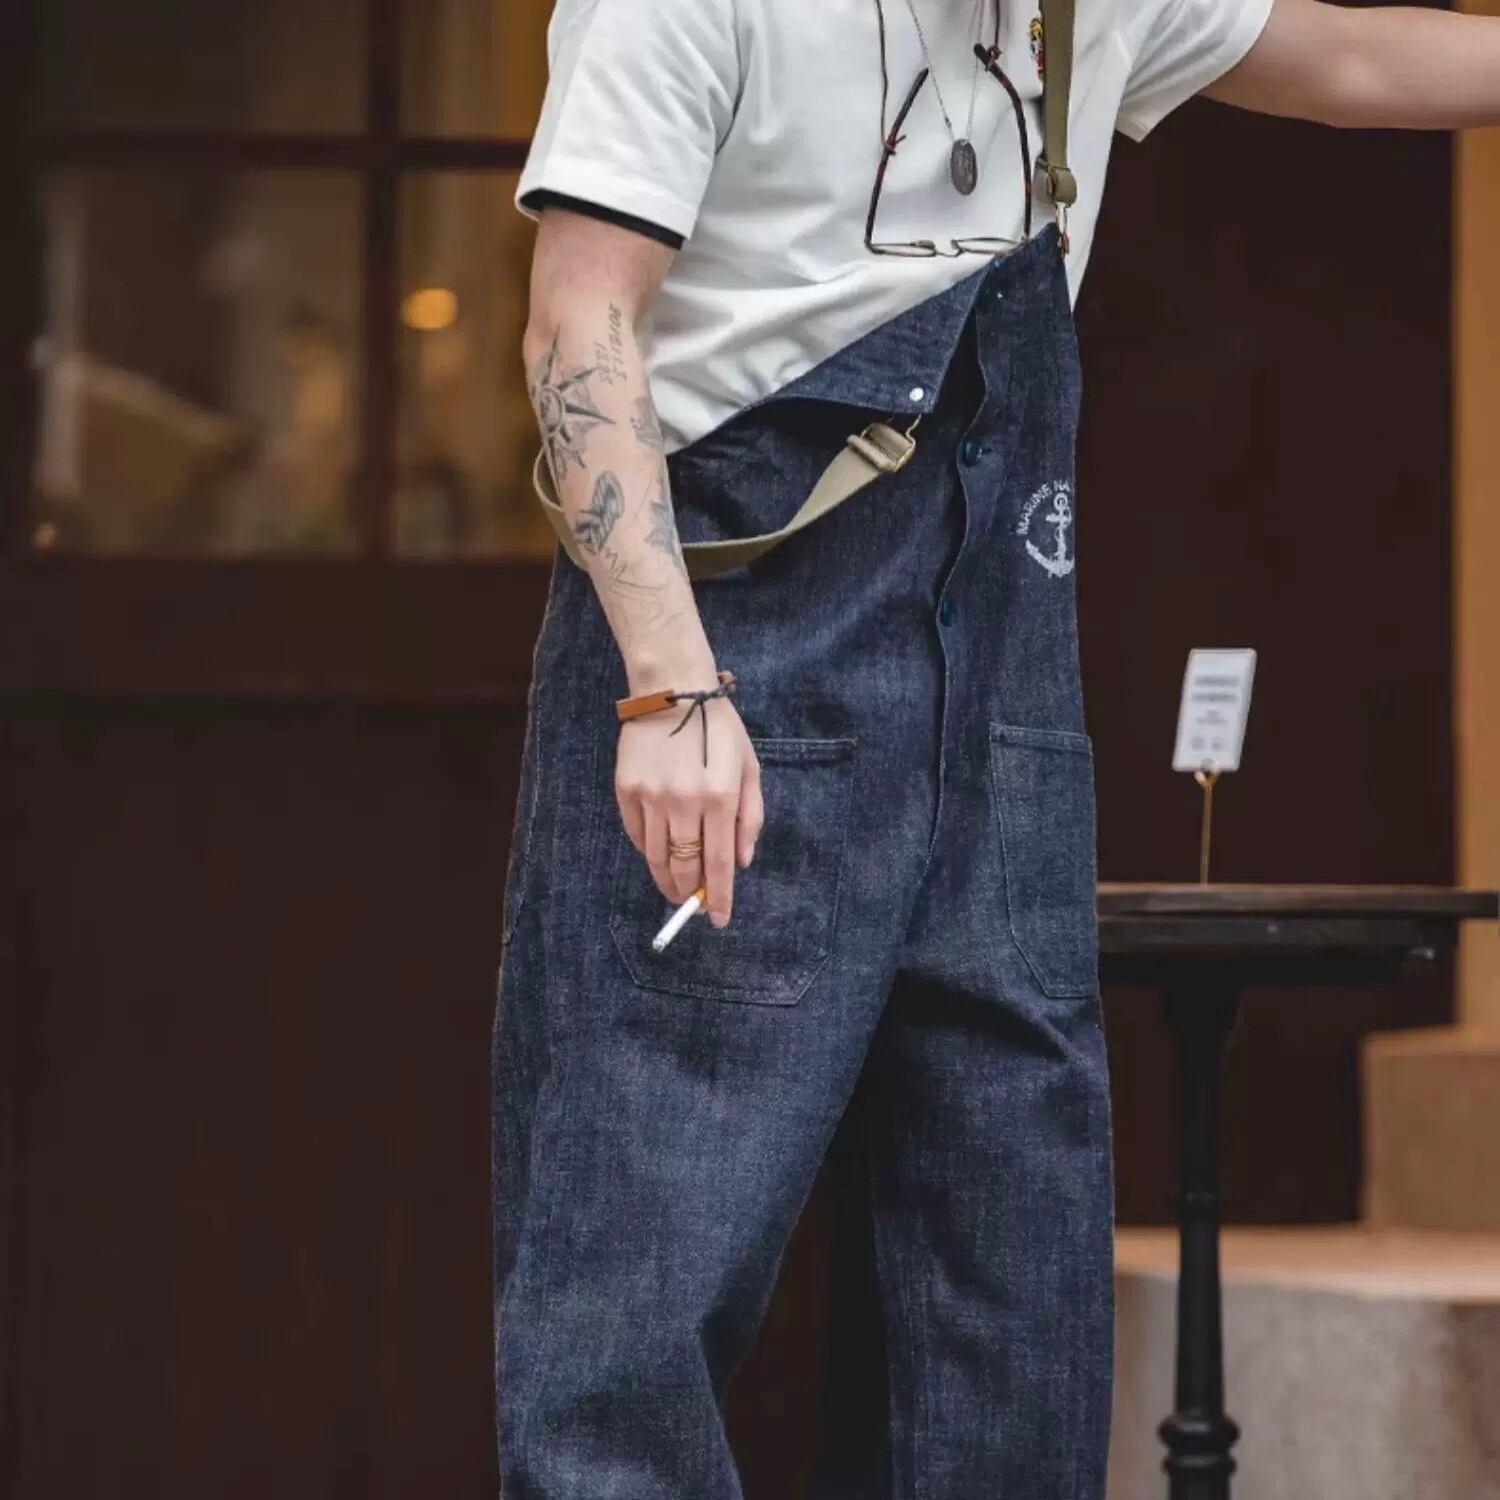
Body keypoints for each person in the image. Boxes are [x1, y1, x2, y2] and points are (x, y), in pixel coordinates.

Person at [492, 2, 1500, 1495]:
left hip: (1002, 687)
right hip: (725, 666)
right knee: (641, 1282)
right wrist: (667, 689)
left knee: (1004, 1294)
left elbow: (1351, 59)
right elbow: (580, 320)